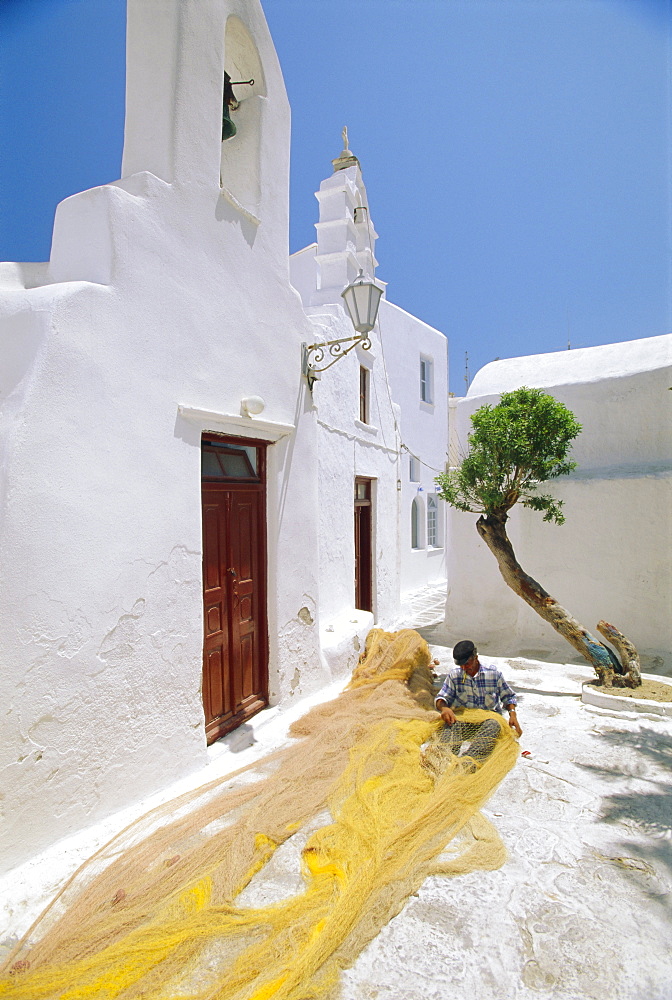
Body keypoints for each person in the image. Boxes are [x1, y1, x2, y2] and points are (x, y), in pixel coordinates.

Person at [435, 639, 522, 764]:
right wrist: (444, 708)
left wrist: (512, 714)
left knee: (493, 725)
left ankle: (468, 762)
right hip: (465, 720)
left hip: (488, 721)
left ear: (475, 658)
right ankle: (442, 759)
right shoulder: (455, 676)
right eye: (461, 665)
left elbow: (508, 697)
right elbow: (441, 698)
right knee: (452, 725)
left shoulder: (493, 675)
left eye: (467, 663)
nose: (464, 668)